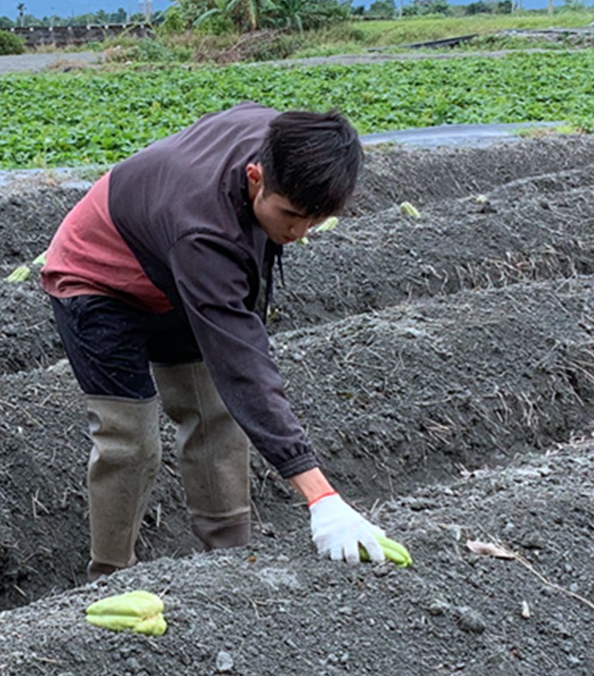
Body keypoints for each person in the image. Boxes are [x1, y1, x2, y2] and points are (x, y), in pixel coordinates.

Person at [41, 101, 392, 578]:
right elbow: (241, 363)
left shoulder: (287, 143)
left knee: (214, 414)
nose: (298, 233)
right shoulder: (204, 233)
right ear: (254, 177)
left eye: (313, 220)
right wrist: (321, 496)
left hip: (168, 267)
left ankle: (229, 562)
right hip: (98, 279)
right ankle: (109, 575)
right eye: (289, 216)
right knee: (130, 439)